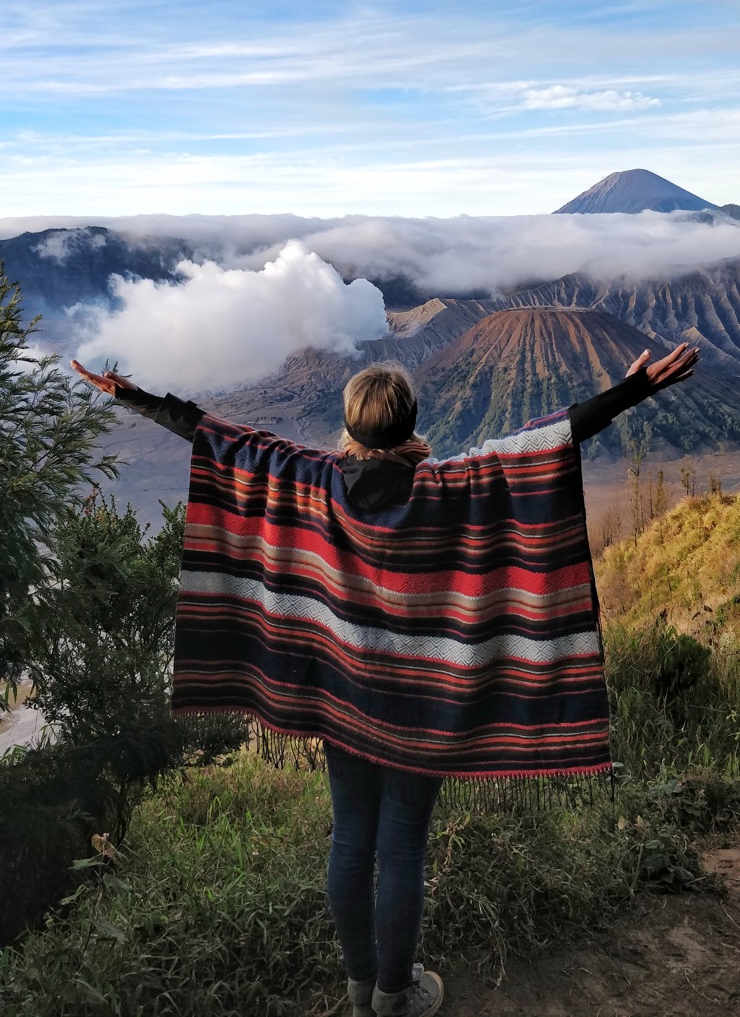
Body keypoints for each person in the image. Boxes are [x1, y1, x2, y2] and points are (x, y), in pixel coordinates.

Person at [71, 340, 698, 1017]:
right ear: (410, 423)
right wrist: (633, 389)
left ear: (351, 426)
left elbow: (221, 436)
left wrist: (129, 394)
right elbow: (541, 442)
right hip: (425, 707)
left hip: (342, 700)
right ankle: (396, 996)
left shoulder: (308, 478)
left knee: (351, 839)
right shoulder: (454, 484)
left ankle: (358, 984)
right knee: (401, 849)